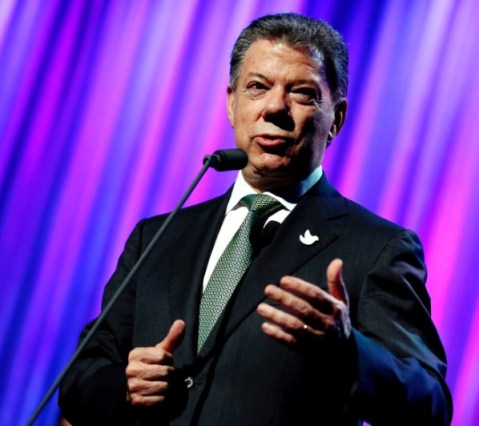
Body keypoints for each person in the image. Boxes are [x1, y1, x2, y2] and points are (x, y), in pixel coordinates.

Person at [59, 13, 452, 425]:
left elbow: (431, 405)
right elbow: (81, 376)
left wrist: (349, 352)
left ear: (335, 119)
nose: (275, 108)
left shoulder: (376, 249)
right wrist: (125, 387)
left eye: (301, 93)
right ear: (232, 103)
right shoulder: (159, 235)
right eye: (257, 87)